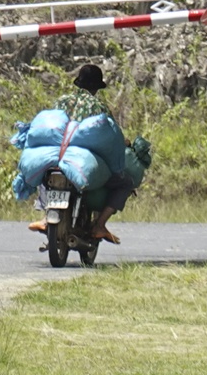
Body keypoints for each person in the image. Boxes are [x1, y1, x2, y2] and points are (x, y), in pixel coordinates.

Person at [28, 62, 140, 245]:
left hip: (58, 155)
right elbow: (111, 134)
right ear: (96, 87)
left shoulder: (62, 101)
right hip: (81, 163)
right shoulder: (99, 107)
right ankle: (100, 224)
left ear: (79, 83)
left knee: (44, 170)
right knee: (125, 183)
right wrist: (123, 142)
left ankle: (46, 216)